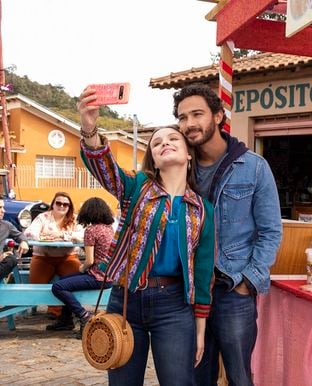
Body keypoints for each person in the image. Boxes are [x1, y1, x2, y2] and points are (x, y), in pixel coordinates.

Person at [79, 87, 215, 386]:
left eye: (172, 139)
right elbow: (107, 170)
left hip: (175, 306)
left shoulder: (203, 209)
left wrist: (201, 328)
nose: (164, 143)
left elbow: (204, 272)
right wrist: (90, 129)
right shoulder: (137, 187)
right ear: (152, 158)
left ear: (189, 155)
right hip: (126, 300)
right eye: (156, 143)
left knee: (179, 382)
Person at [173, 84, 282, 386]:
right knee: (195, 376)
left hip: (232, 288)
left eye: (197, 114)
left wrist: (248, 281)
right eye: (182, 117)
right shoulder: (178, 168)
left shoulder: (254, 167)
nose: (189, 124)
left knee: (239, 377)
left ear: (219, 116)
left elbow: (270, 231)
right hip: (189, 292)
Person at [49, 197, 115, 337]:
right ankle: (66, 320)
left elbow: (89, 261)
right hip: (109, 276)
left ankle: (84, 315)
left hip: (98, 277)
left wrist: (81, 268)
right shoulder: (109, 229)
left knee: (58, 287)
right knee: (64, 279)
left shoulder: (91, 230)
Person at [24, 192, 84, 321]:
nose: (62, 206)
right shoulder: (42, 217)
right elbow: (29, 232)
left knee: (77, 282)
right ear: (53, 204)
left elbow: (83, 235)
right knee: (36, 285)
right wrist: (41, 236)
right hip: (43, 257)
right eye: (58, 203)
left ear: (69, 206)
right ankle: (56, 310)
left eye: (65, 204)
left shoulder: (75, 219)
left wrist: (62, 235)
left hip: (68, 257)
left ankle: (69, 311)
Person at [0, 199, 29, 280]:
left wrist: (24, 241)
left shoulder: (6, 225)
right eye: (0, 207)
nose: (3, 210)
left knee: (12, 259)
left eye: (3, 207)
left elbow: (19, 235)